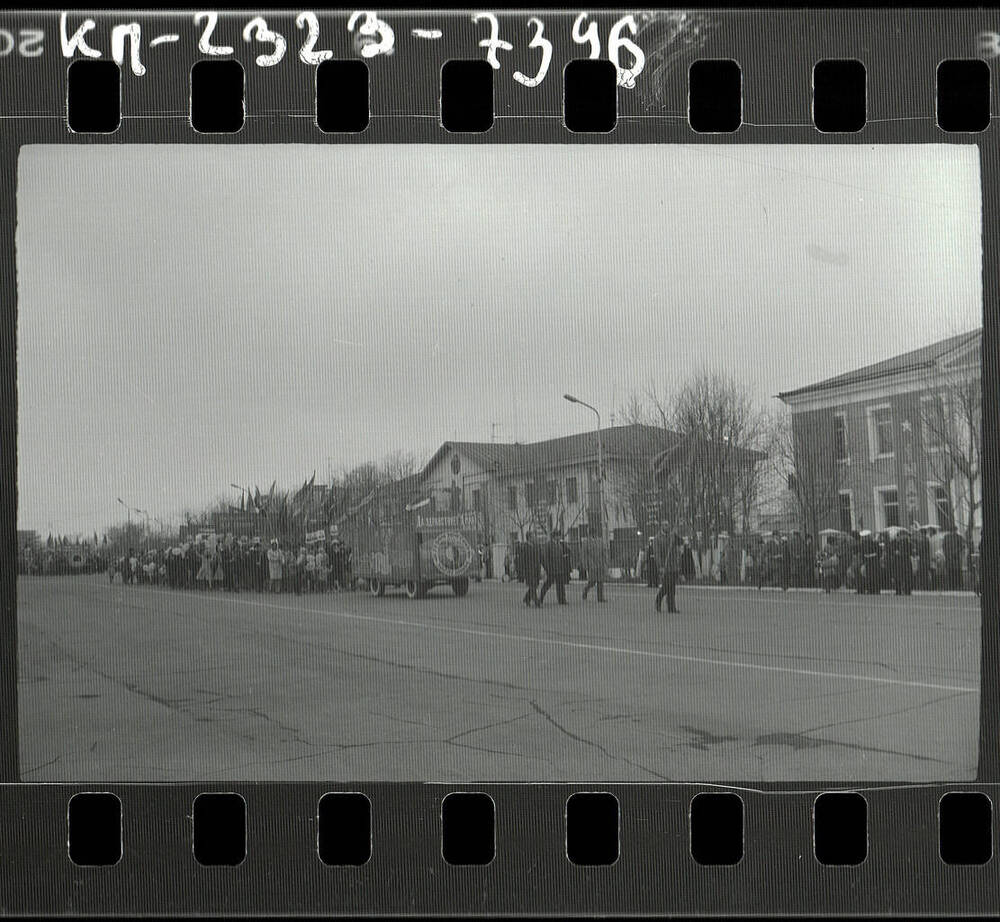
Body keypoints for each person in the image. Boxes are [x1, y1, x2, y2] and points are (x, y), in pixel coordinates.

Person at [654, 527, 682, 614]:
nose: (667, 526)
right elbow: (657, 554)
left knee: (672, 588)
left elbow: (681, 542)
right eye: (665, 524)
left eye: (667, 524)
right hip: (665, 566)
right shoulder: (657, 538)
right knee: (666, 586)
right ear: (661, 525)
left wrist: (676, 536)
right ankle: (658, 600)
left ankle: (671, 607)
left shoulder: (672, 536)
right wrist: (660, 566)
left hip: (673, 565)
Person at [539, 529, 570, 605]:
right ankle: (540, 598)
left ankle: (562, 599)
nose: (559, 537)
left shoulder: (560, 544)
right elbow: (545, 557)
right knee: (548, 584)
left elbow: (567, 552)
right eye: (558, 536)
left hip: (559, 568)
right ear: (554, 536)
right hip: (552, 568)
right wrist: (547, 567)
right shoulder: (548, 544)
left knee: (561, 585)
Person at [580, 533, 609, 603]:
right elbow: (584, 554)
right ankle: (585, 590)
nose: (594, 536)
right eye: (592, 535)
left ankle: (600, 598)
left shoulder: (600, 541)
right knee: (592, 581)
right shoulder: (585, 542)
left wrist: (605, 562)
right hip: (591, 565)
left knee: (600, 581)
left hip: (600, 564)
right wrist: (585, 565)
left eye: (595, 535)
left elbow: (604, 552)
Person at [521, 532, 542, 608]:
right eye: (533, 536)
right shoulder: (525, 547)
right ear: (529, 537)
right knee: (532, 585)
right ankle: (536, 601)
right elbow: (523, 560)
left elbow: (539, 557)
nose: (534, 538)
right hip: (529, 569)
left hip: (536, 568)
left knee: (535, 585)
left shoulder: (535, 546)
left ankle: (527, 598)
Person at [943, 526, 965, 590]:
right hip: (956, 557)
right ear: (956, 530)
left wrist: (947, 554)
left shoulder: (946, 537)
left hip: (949, 557)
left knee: (950, 571)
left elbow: (943, 547)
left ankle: (951, 585)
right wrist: (955, 552)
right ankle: (958, 585)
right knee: (957, 571)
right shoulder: (959, 536)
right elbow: (962, 546)